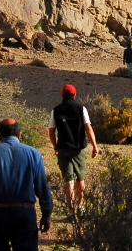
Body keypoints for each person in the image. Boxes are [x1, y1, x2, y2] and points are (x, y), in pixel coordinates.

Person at [0, 118, 53, 251]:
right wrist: (46, 214)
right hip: (24, 213)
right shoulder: (33, 154)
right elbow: (43, 187)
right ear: (19, 134)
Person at [47, 84, 100, 213]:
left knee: (68, 179)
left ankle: (70, 209)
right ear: (75, 95)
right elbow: (88, 128)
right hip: (78, 149)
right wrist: (94, 146)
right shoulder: (81, 109)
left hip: (63, 149)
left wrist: (55, 147)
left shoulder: (56, 110)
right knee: (80, 178)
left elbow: (51, 131)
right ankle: (80, 206)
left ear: (62, 95)